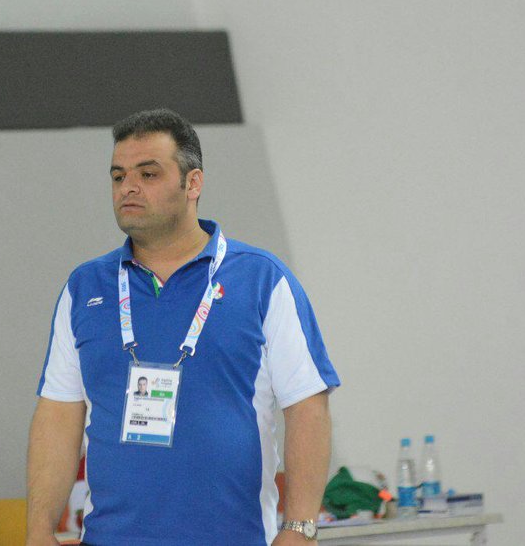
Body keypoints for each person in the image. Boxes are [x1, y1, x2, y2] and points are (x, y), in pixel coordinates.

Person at [27, 109, 340, 545]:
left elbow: (307, 406)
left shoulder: (262, 280)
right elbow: (58, 414)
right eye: (118, 176)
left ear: (193, 183)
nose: (128, 187)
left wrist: (299, 527)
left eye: (148, 174)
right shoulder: (86, 287)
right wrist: (38, 529)